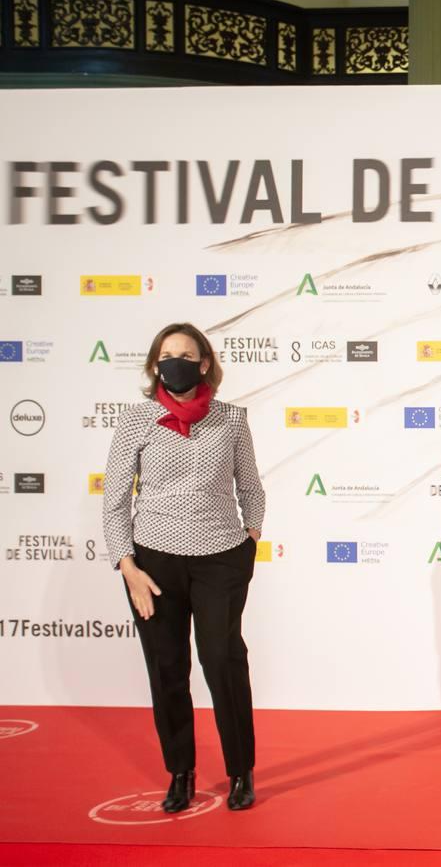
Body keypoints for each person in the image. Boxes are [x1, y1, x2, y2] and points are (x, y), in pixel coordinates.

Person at [102, 322, 265, 812]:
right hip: (154, 564)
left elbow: (251, 489)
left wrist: (248, 543)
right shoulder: (135, 420)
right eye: (167, 355)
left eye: (187, 355)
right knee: (167, 669)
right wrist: (128, 567)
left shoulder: (232, 419)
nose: (176, 362)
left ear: (205, 363)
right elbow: (114, 502)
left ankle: (241, 772)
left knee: (222, 661)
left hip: (220, 558)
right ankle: (181, 772)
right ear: (155, 366)